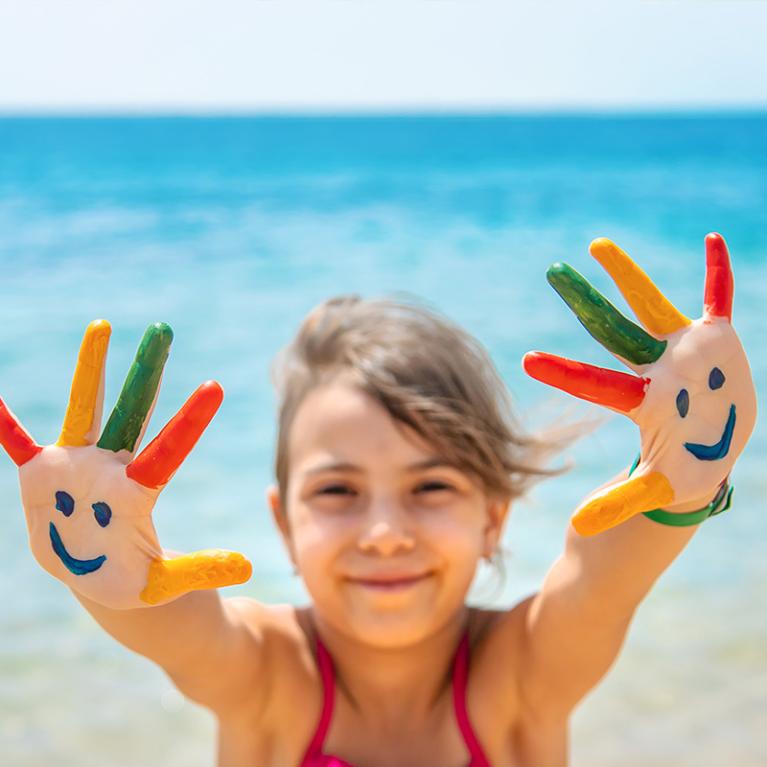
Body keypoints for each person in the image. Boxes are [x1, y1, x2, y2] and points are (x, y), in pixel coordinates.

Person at [0, 234, 755, 766]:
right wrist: (102, 561)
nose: (385, 531)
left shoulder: (520, 675)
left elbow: (598, 578)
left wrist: (681, 477)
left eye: (431, 486)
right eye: (337, 490)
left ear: (494, 517)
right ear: (283, 525)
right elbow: (180, 625)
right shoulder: (270, 679)